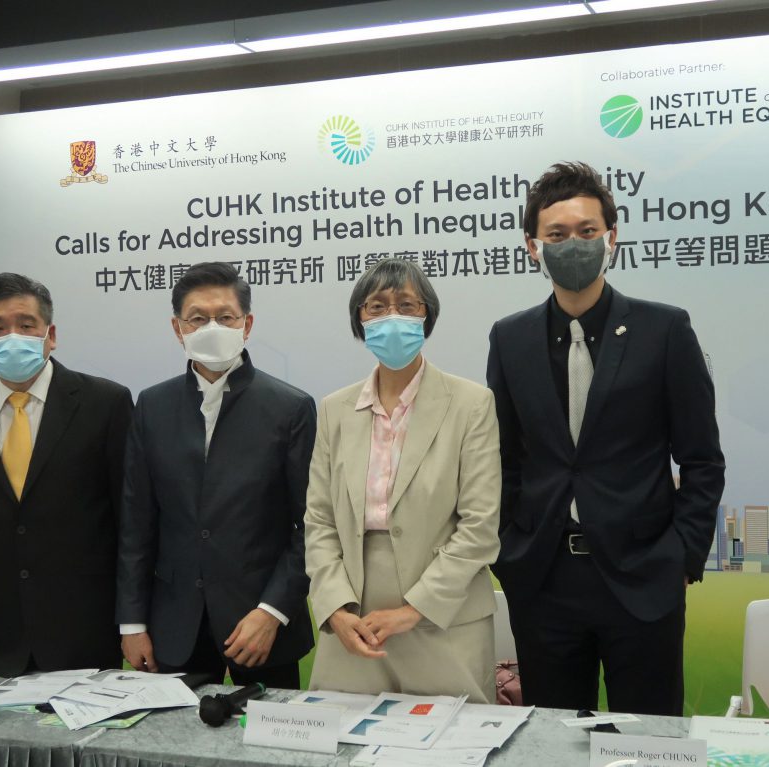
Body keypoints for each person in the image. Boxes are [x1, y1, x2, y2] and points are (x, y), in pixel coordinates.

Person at [486, 162, 725, 715]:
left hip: (643, 579)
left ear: (611, 238)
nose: (574, 245)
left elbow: (702, 460)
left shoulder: (665, 330)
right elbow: (501, 458)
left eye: (587, 232)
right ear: (532, 247)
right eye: (557, 235)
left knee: (647, 743)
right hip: (543, 580)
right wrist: (508, 548)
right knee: (551, 744)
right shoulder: (510, 338)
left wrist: (681, 558)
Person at [305, 258, 501, 703]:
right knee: (346, 741)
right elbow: (319, 519)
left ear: (426, 315)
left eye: (406, 305)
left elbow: (480, 526)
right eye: (376, 307)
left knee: (452, 744)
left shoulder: (471, 403)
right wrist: (335, 604)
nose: (391, 317)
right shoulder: (334, 410)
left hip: (443, 615)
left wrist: (416, 608)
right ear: (359, 319)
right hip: (354, 618)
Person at [117, 261, 315, 687]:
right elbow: (136, 522)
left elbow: (311, 525)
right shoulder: (152, 406)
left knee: (268, 750)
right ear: (177, 327)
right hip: (174, 624)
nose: (212, 327)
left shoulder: (290, 408)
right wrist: (131, 623)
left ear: (247, 324)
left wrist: (273, 611)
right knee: (168, 748)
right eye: (198, 318)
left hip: (262, 624)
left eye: (225, 317)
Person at [0, 272, 132, 676]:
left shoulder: (106, 403)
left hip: (84, 627)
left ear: (50, 334)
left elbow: (130, 523)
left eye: (26, 325)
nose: (13, 337)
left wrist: (133, 621)